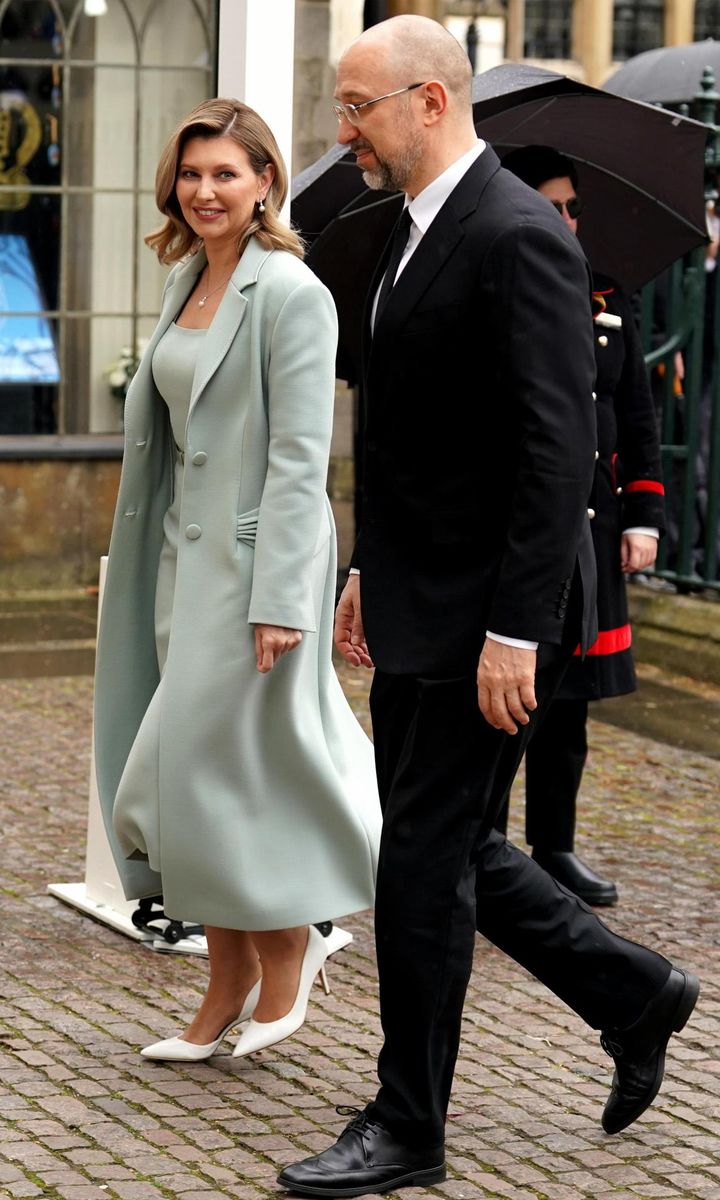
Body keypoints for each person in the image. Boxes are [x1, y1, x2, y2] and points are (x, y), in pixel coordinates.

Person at [278, 17, 699, 1198]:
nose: (342, 130)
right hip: (418, 599)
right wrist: (367, 568)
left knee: (417, 865)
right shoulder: (409, 234)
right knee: (450, 847)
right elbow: (415, 440)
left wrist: (516, 630)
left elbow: (558, 451)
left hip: (491, 624)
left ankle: (406, 1125)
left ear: (427, 98)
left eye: (357, 106)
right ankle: (638, 993)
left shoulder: (519, 235)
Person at [93, 98, 381, 1065]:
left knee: (192, 773)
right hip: (181, 563)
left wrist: (276, 599)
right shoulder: (185, 276)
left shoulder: (294, 293)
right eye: (191, 173)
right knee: (200, 784)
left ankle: (293, 940)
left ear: (265, 181)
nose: (205, 190)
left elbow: (303, 459)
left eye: (226, 173)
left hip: (259, 571)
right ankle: (223, 989)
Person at [494, 145, 665, 907]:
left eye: (573, 207)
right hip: (525, 527)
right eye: (551, 205)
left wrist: (646, 516)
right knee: (506, 705)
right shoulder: (506, 283)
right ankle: (487, 852)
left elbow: (638, 416)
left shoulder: (607, 290)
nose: (565, 219)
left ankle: (554, 848)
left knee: (569, 707)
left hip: (595, 527)